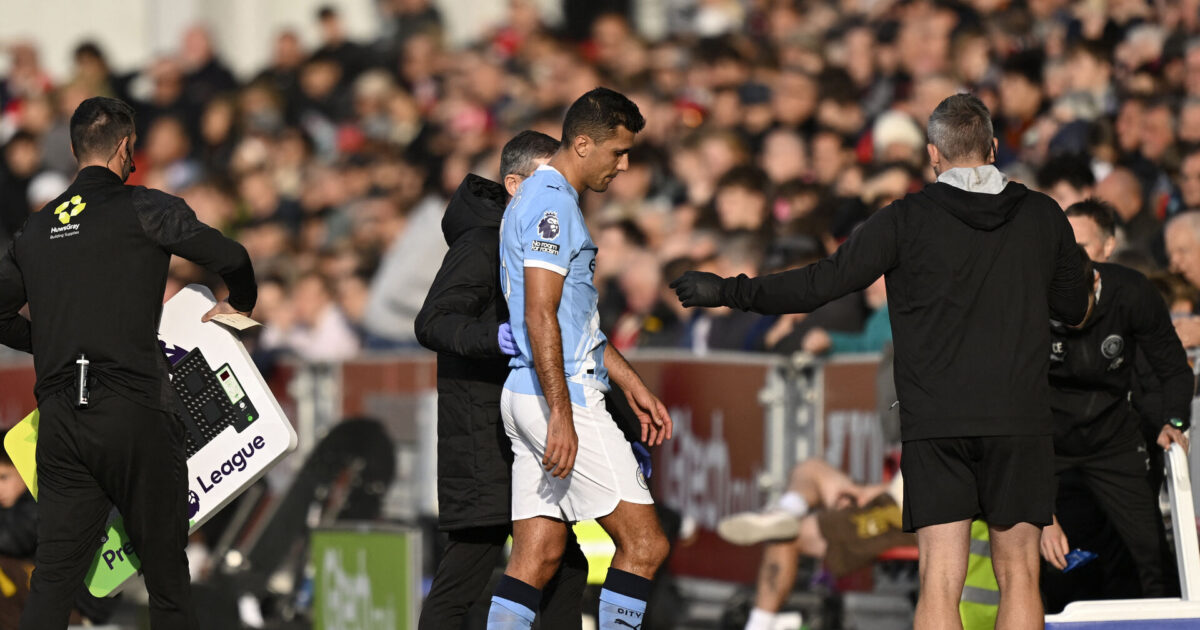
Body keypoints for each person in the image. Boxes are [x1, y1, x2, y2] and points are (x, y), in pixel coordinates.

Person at [672, 94, 1091, 630]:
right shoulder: (1041, 214)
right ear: (991, 148)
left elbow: (818, 284)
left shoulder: (905, 219)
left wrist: (728, 290)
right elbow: (1074, 307)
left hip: (936, 423)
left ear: (933, 155)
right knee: (1020, 576)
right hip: (1020, 419)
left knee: (941, 577)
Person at [0, 96, 257, 630]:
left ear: (74, 151)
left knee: (52, 581)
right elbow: (232, 257)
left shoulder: (34, 229)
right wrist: (241, 305)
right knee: (165, 575)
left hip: (62, 418)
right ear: (125, 148)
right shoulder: (145, 207)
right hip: (134, 410)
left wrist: (48, 344)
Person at [489, 87, 673, 630]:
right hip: (558, 397)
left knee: (538, 555)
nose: (624, 164)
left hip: (526, 393)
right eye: (618, 152)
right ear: (584, 144)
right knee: (645, 545)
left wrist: (630, 383)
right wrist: (564, 412)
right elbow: (540, 314)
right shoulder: (550, 203)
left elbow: (572, 321)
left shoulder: (544, 198)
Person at [414, 130, 590, 629]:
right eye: (545, 177)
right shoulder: (482, 243)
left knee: (564, 565)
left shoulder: (540, 240)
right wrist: (497, 338)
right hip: (483, 431)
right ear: (514, 185)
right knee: (467, 571)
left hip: (524, 427)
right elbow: (432, 321)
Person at [1040, 199, 1190, 606]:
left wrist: (1172, 421)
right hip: (1048, 444)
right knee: (1058, 561)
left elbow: (1173, 370)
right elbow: (1009, 396)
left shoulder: (1132, 293)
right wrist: (1039, 508)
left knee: (1150, 554)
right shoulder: (1029, 298)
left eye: (1081, 249)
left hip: (1113, 441)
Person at [716, 459, 910, 630]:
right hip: (895, 493)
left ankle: (758, 625)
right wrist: (874, 491)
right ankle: (786, 511)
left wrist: (874, 492)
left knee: (790, 535)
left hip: (906, 512)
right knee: (811, 470)